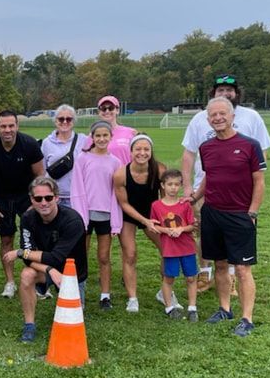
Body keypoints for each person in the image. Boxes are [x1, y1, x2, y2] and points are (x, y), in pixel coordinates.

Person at [181, 73, 270, 285]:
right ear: (213, 93)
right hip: (205, 189)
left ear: (236, 93)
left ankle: (232, 276)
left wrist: (252, 191)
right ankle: (205, 272)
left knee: (235, 235)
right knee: (205, 232)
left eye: (229, 90)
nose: (225, 93)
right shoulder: (200, 119)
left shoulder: (251, 117)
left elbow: (262, 155)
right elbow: (188, 154)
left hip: (240, 193)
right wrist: (188, 189)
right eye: (220, 90)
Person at [194, 97, 266, 337]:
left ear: (232, 116)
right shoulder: (206, 147)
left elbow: (259, 181)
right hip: (213, 213)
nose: (217, 118)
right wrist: (195, 197)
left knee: (243, 268)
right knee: (220, 264)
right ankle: (225, 309)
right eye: (213, 115)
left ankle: (247, 318)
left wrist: (252, 212)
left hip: (239, 215)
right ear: (208, 119)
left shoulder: (250, 145)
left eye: (222, 113)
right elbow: (209, 176)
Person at [3, 176, 88, 343]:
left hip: (73, 274)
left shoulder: (73, 220)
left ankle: (51, 289)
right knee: (27, 275)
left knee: (72, 319)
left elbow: (55, 257)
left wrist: (20, 252)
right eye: (38, 198)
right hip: (47, 269)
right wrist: (49, 270)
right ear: (31, 199)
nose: (44, 203)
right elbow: (30, 260)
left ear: (57, 197)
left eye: (48, 198)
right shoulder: (27, 218)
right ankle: (29, 325)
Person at [0, 109, 45, 298]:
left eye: (11, 125)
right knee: (6, 239)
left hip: (26, 196)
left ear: (17, 126)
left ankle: (38, 282)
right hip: (2, 198)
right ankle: (10, 282)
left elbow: (40, 176)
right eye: (3, 126)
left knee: (33, 238)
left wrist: (35, 202)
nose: (7, 130)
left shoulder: (29, 144)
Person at [70, 121, 122, 310]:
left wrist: (115, 222)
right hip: (85, 215)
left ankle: (105, 295)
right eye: (97, 136)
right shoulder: (83, 159)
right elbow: (77, 187)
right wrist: (80, 216)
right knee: (80, 256)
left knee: (103, 257)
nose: (101, 139)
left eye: (105, 136)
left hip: (105, 216)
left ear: (110, 137)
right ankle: (78, 293)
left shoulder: (115, 162)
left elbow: (116, 193)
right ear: (92, 137)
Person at [113, 134, 166, 313]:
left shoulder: (159, 170)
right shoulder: (121, 174)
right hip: (130, 216)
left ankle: (165, 291)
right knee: (130, 255)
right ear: (131, 151)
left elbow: (167, 198)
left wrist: (166, 222)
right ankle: (132, 298)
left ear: (151, 152)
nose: (142, 153)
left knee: (167, 251)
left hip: (153, 215)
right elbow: (124, 204)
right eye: (138, 149)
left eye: (146, 149)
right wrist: (144, 221)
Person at [150, 169, 199, 321]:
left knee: (191, 277)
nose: (173, 188)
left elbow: (192, 225)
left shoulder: (184, 205)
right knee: (168, 278)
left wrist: (181, 229)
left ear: (180, 186)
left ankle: (192, 308)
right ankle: (169, 307)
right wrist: (166, 230)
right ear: (163, 186)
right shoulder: (156, 206)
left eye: (176, 184)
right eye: (170, 184)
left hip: (187, 248)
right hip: (170, 249)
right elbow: (154, 225)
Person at [40, 104, 88, 208]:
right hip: (54, 197)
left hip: (76, 196)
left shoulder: (83, 140)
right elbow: (43, 171)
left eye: (69, 119)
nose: (65, 122)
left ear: (73, 121)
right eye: (61, 119)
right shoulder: (47, 143)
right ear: (56, 121)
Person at [95, 95, 137, 166]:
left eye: (111, 108)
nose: (107, 111)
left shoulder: (131, 133)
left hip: (125, 176)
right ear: (99, 112)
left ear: (117, 110)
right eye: (103, 108)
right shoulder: (92, 136)